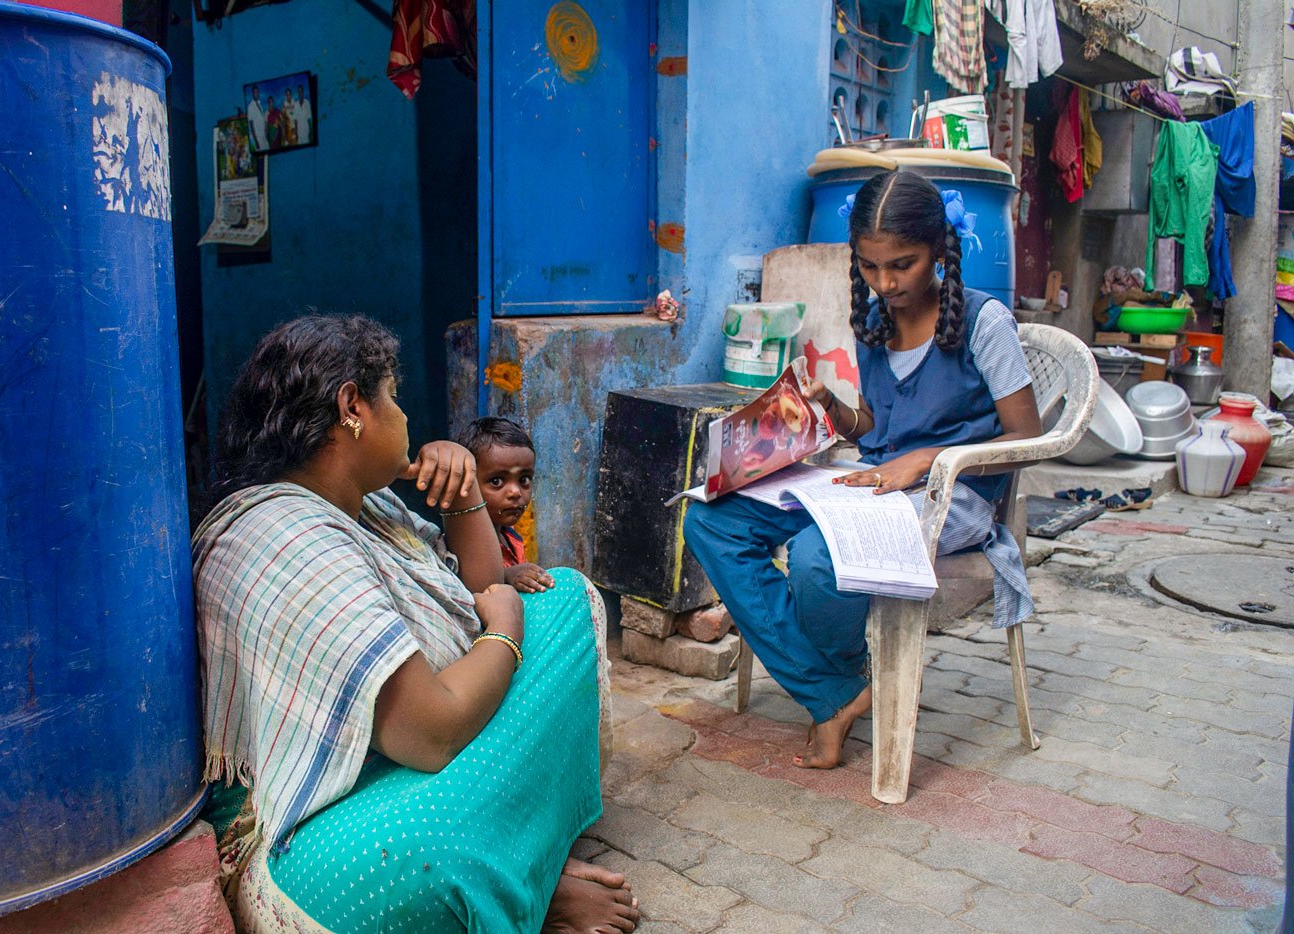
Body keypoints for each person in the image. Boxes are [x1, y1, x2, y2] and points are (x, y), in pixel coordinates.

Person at [193, 315, 637, 933]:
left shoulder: (361, 502)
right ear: (353, 406)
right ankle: (529, 879)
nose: (405, 416)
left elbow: (474, 587)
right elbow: (431, 732)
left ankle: (521, 868)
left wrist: (464, 494)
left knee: (564, 600)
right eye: (394, 397)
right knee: (436, 854)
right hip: (310, 837)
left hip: (402, 750)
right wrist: (503, 636)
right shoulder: (285, 535)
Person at [682, 170, 1041, 771]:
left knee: (820, 560)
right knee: (712, 519)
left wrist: (926, 461)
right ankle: (834, 691)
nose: (886, 282)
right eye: (870, 267)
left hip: (957, 494)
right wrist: (828, 410)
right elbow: (874, 424)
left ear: (940, 250)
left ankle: (831, 689)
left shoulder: (986, 322)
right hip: (873, 479)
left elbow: (1029, 438)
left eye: (902, 264)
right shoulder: (874, 319)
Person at [455, 417, 555, 594]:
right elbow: (470, 594)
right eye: (496, 481)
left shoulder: (511, 538)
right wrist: (506, 576)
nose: (515, 492)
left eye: (524, 480)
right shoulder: (460, 544)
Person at [246, 85, 266, 151]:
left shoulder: (260, 104)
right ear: (252, 94)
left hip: (263, 136)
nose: (256, 94)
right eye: (255, 92)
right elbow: (251, 125)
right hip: (258, 138)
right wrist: (256, 141)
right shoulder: (250, 107)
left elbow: (262, 119)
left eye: (257, 92)